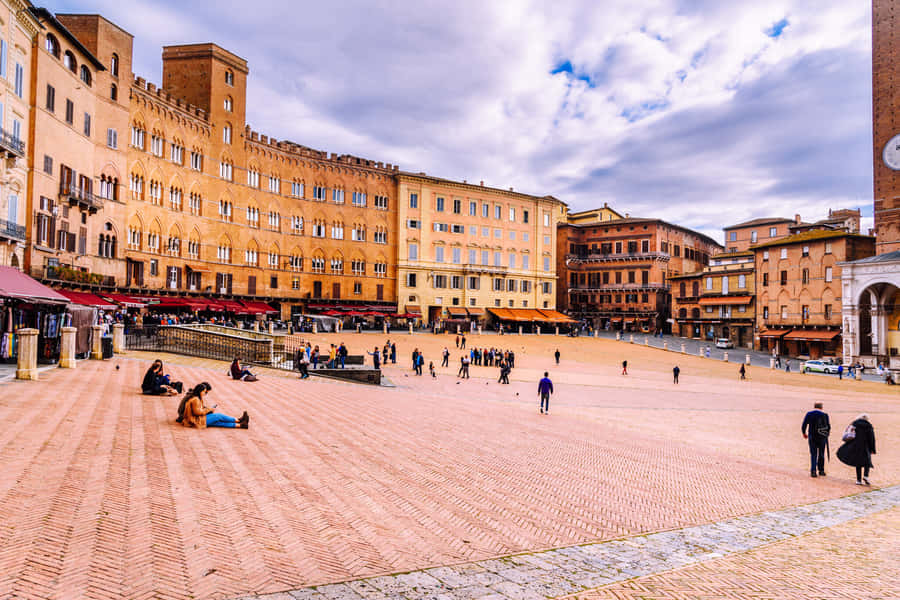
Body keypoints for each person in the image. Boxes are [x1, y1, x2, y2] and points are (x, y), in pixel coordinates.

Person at [178, 382, 249, 429]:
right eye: (204, 391)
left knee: (218, 423)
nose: (205, 393)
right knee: (219, 416)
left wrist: (208, 409)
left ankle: (241, 425)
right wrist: (209, 409)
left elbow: (198, 409)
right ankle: (238, 420)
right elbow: (198, 412)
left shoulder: (195, 397)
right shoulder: (195, 399)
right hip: (195, 420)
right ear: (200, 391)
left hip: (192, 419)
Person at [837, 414, 876, 485]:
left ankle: (858, 480)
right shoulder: (869, 426)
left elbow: (849, 433)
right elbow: (872, 438)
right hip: (866, 446)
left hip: (855, 445)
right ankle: (866, 476)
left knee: (858, 462)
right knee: (867, 461)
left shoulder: (854, 424)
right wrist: (873, 449)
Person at [801, 402, 831, 477]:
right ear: (821, 407)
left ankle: (813, 471)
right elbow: (828, 426)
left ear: (814, 406)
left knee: (813, 454)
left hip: (812, 436)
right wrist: (826, 435)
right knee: (821, 454)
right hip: (822, 437)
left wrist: (804, 433)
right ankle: (821, 470)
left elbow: (804, 424)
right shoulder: (825, 415)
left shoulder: (809, 414)